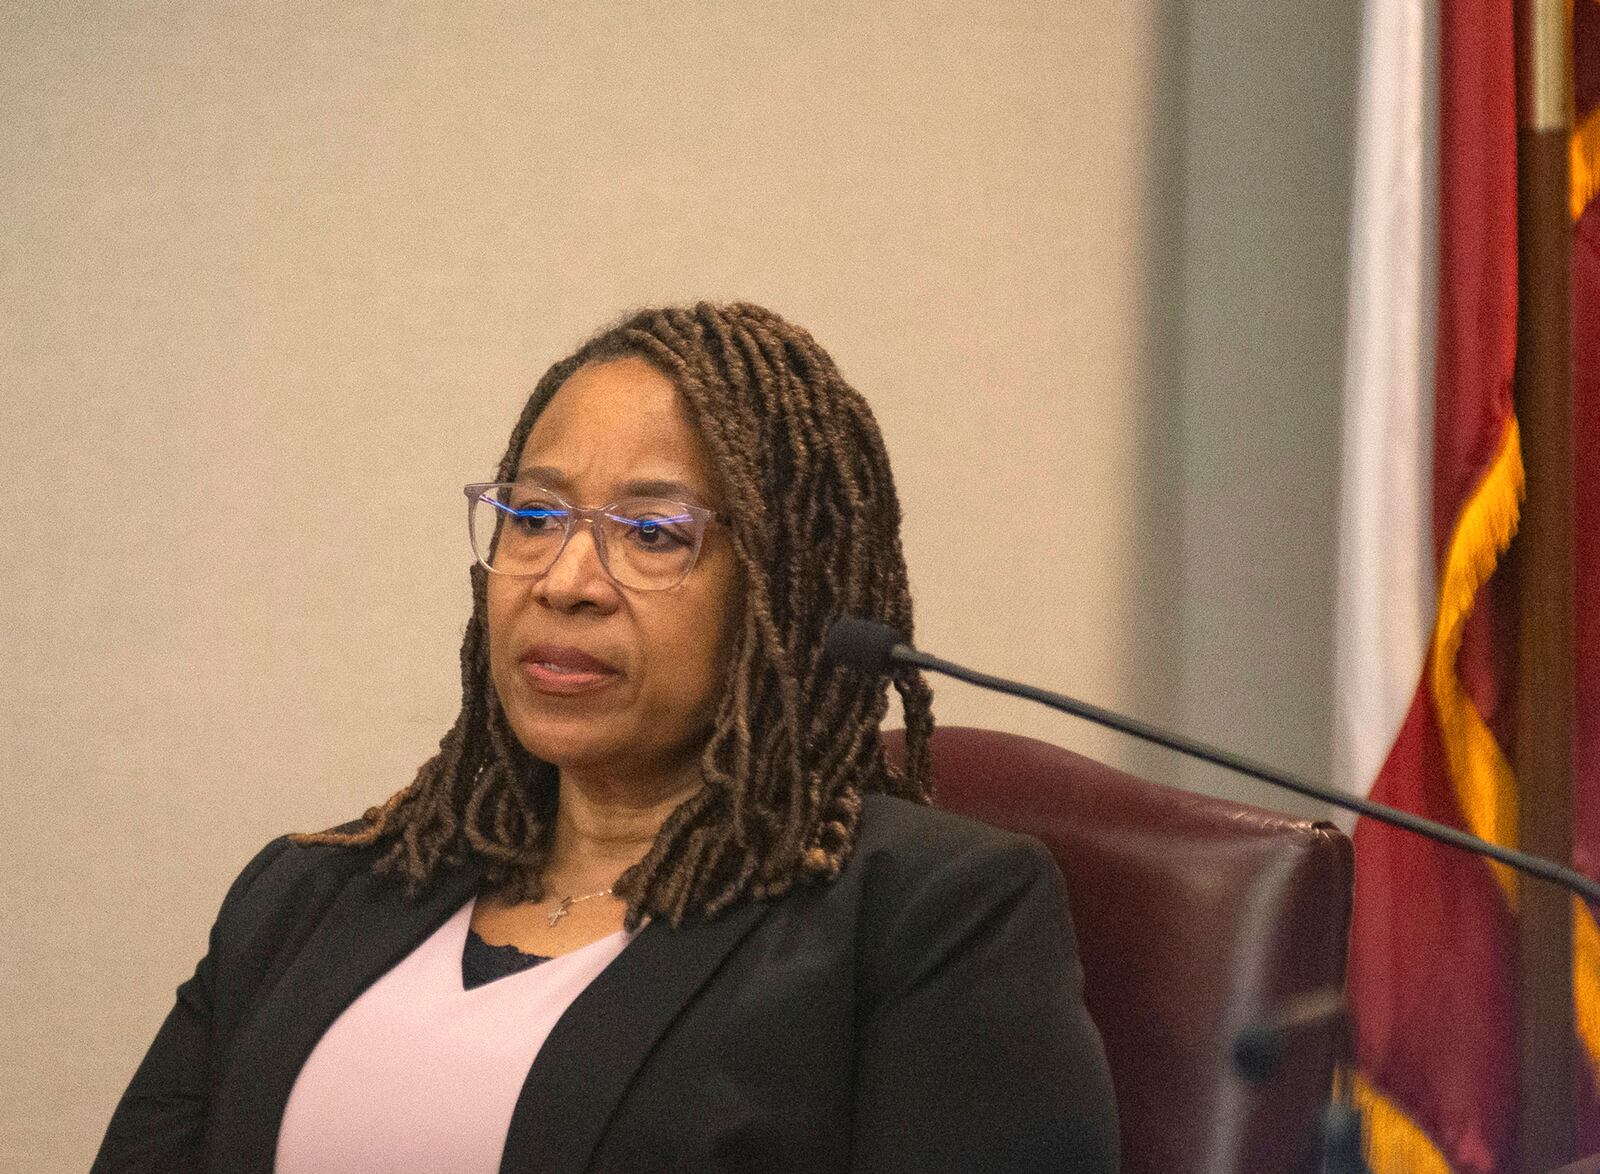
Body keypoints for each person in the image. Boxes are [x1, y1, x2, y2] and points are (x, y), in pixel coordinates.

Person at [93, 302, 1119, 1172]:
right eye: (534, 516)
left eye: (653, 533)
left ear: (786, 590)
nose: (566, 579)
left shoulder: (921, 914)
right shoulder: (309, 893)